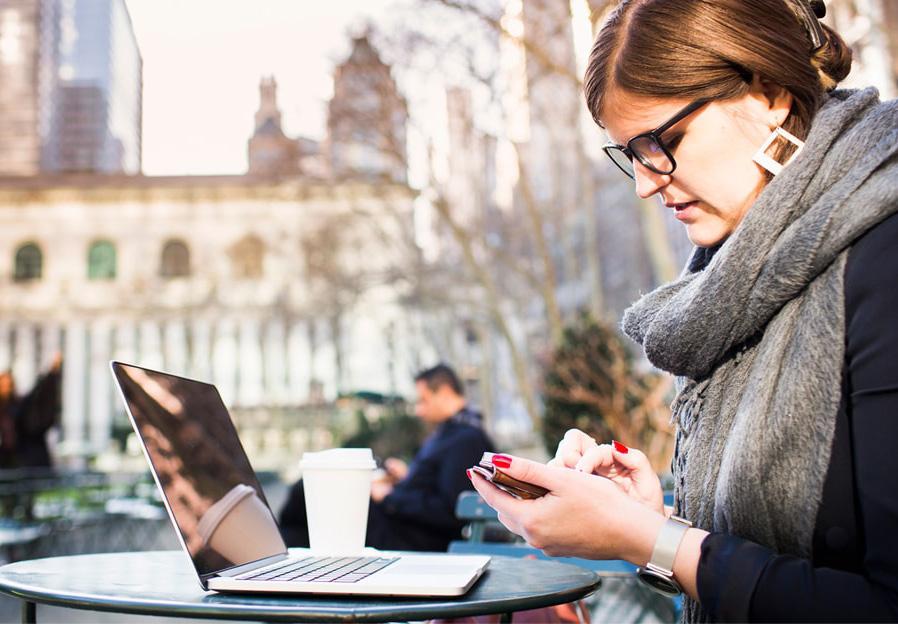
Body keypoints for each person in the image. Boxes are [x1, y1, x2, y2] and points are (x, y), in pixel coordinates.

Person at [469, 0, 898, 621]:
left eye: (663, 142)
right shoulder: (739, 283)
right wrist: (652, 523)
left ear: (770, 96)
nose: (645, 182)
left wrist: (649, 541)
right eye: (630, 154)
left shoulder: (882, 257)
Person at [280, 363, 495, 551]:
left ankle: (273, 547)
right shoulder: (450, 433)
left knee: (316, 488)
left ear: (445, 392)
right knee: (306, 514)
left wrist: (389, 497)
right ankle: (277, 549)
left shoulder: (465, 439)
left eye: (424, 400)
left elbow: (449, 511)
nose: (419, 410)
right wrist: (405, 477)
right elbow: (436, 486)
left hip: (413, 538)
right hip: (400, 525)